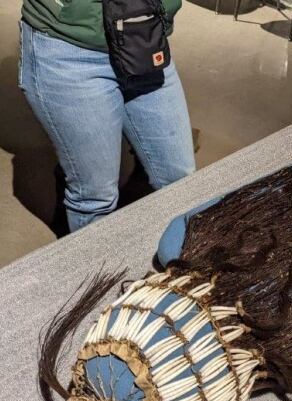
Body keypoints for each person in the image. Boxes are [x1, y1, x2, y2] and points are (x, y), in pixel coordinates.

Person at [18, 0, 195, 232]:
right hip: (70, 48)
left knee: (181, 179)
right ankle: (96, 265)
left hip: (144, 35)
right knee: (95, 198)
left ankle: (179, 258)